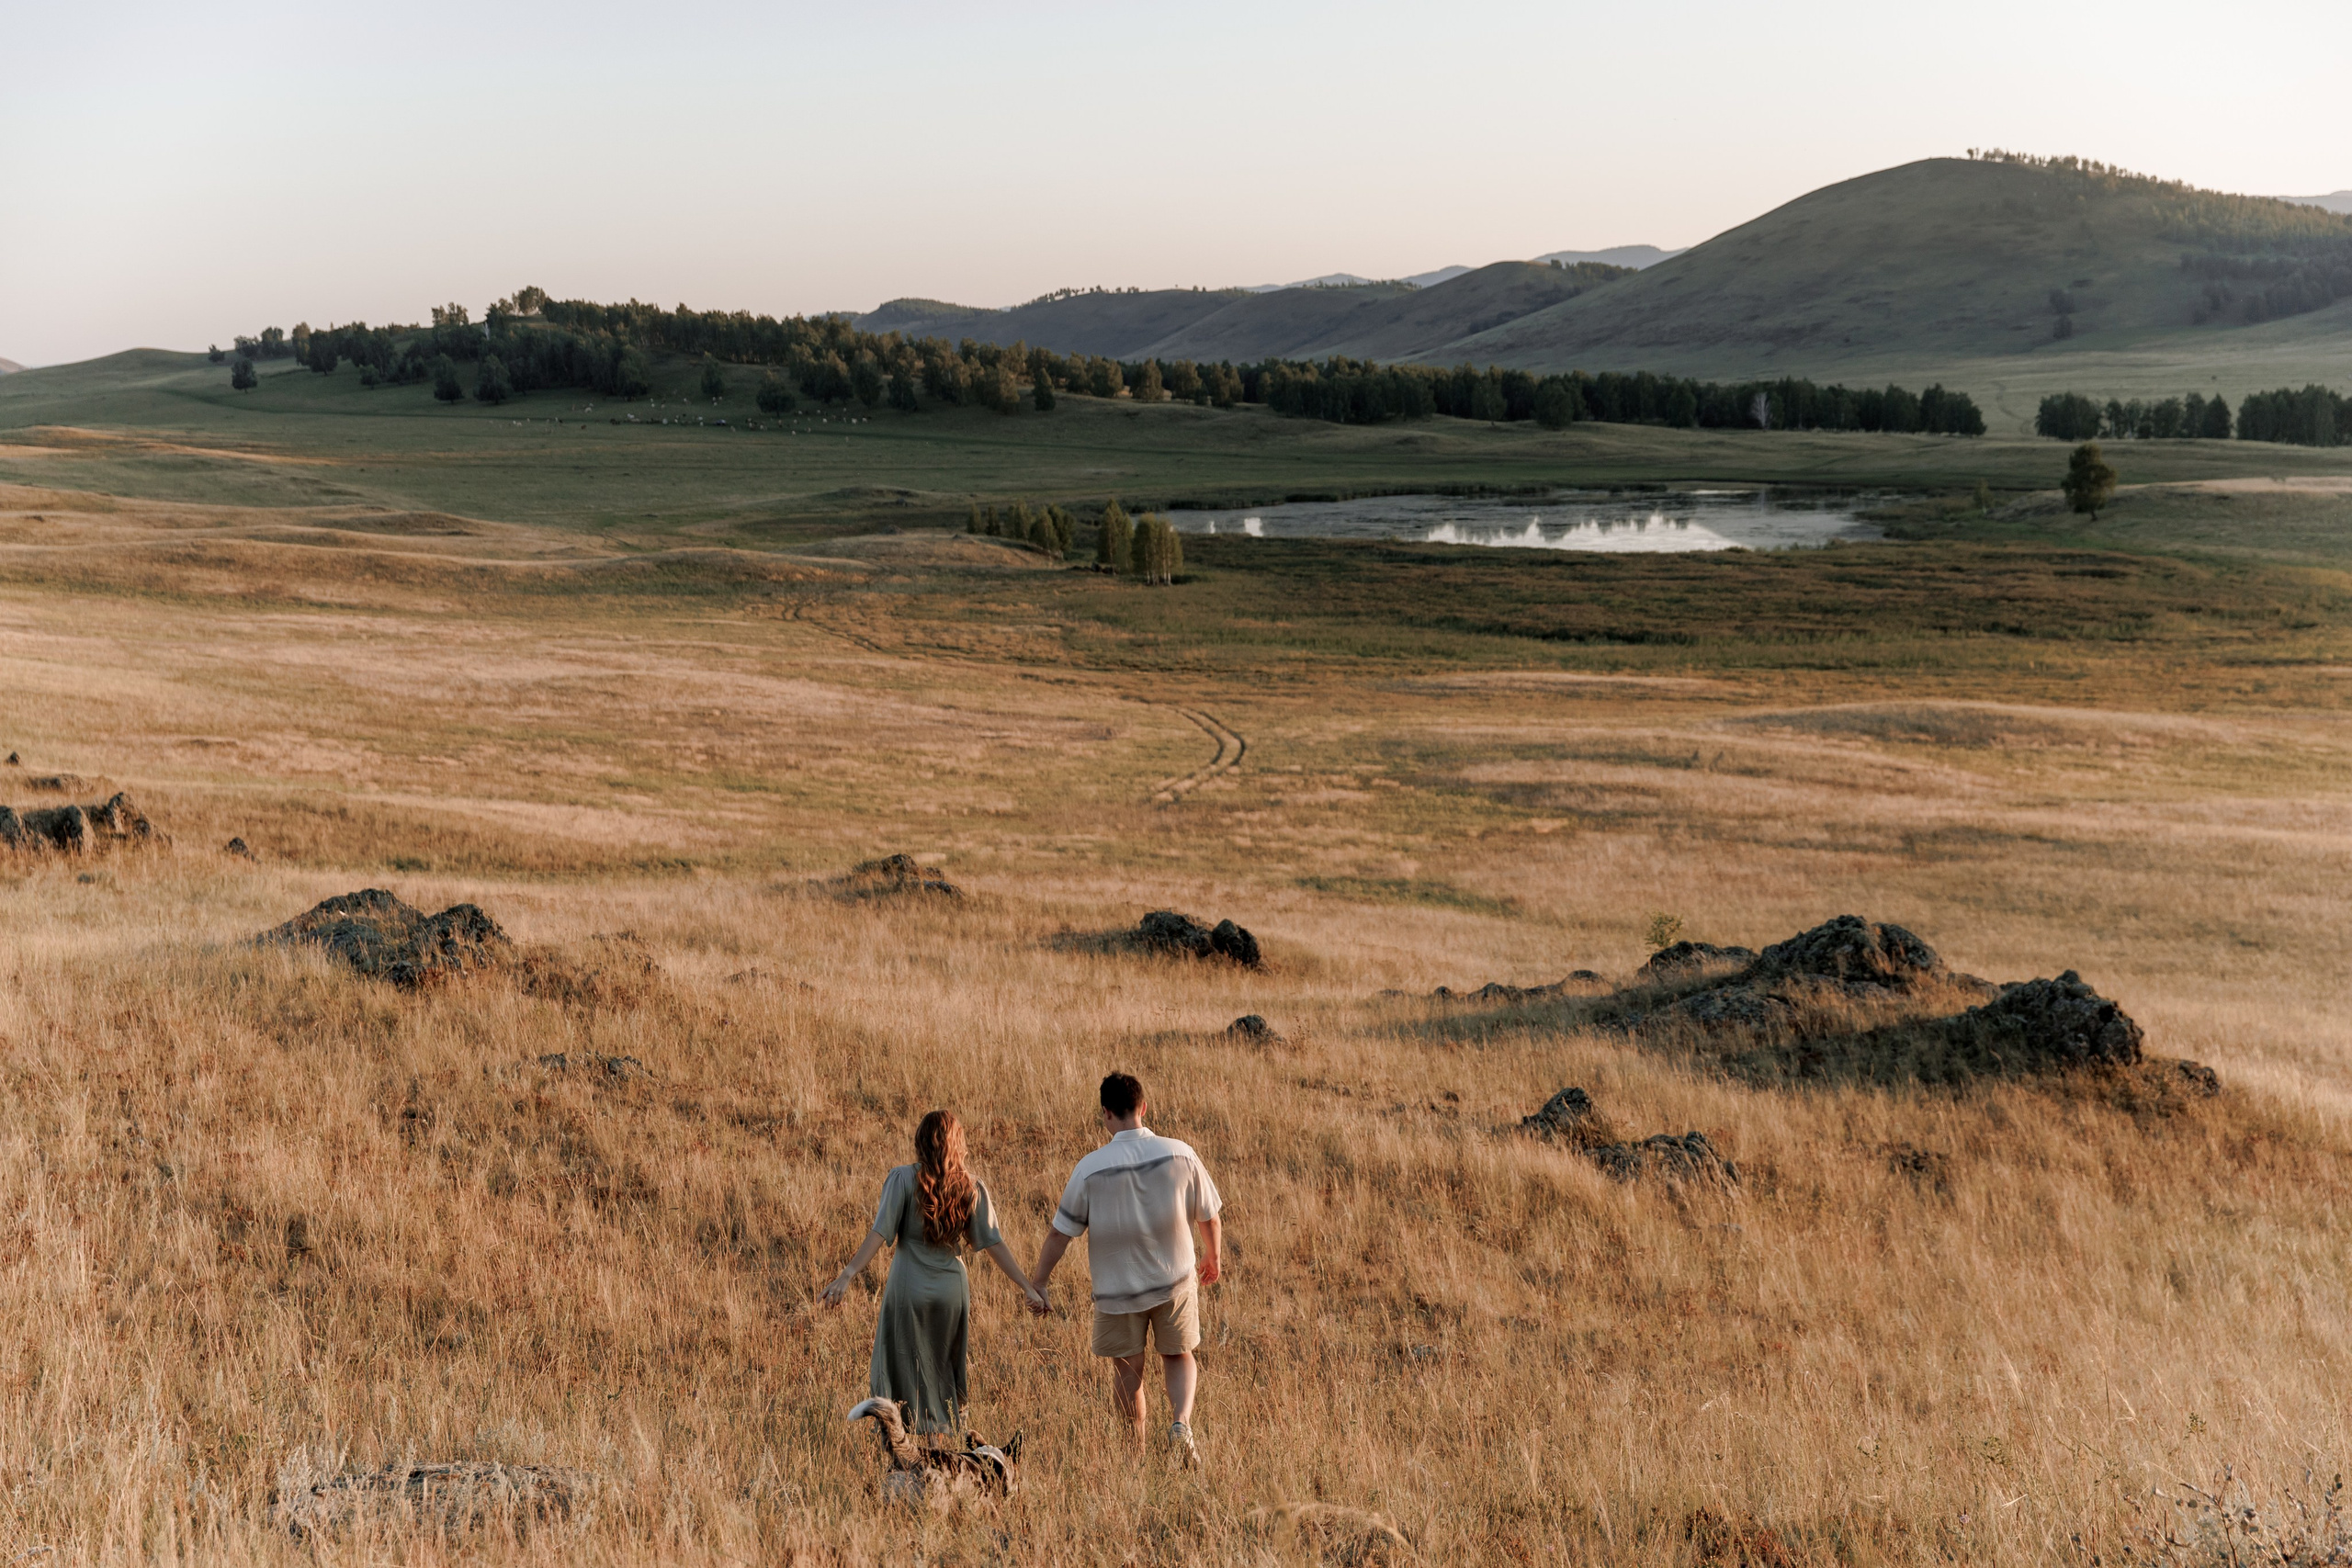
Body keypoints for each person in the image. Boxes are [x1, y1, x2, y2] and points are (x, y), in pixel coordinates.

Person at [820, 1110, 1048, 1441]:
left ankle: (902, 1443)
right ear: (958, 1145)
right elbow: (993, 1243)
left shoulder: (902, 1179)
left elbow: (880, 1232)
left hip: (908, 1289)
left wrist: (847, 1274)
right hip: (951, 1292)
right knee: (942, 1370)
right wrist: (1027, 1286)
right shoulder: (971, 1187)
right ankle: (936, 1444)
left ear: (920, 1141)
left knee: (901, 1365)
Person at [1032, 1072, 1224, 1465]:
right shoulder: (1180, 1154)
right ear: (1143, 1108)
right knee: (1179, 1355)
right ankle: (1181, 1424)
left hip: (1117, 1293)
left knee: (1127, 1371)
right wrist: (1213, 1256)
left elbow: (1059, 1234)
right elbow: (1210, 1215)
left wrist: (1039, 1281)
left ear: (1106, 1113)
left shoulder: (1089, 1169)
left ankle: (1134, 1455)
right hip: (1174, 1282)